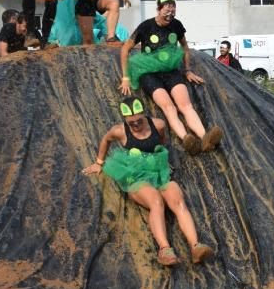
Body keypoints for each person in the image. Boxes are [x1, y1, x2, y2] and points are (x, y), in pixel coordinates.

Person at [83, 98, 214, 267]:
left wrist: (161, 159)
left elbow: (161, 141)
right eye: (131, 122)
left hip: (158, 173)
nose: (136, 124)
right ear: (125, 119)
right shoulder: (119, 131)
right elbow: (106, 140)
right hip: (136, 176)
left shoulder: (158, 124)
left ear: (144, 114)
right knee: (156, 201)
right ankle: (165, 249)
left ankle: (196, 247)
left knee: (177, 199)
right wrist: (99, 162)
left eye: (139, 120)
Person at [119, 0, 223, 156]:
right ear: (159, 9)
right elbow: (125, 49)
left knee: (186, 105)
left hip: (170, 71)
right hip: (149, 73)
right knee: (168, 107)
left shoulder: (176, 25)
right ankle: (187, 139)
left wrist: (188, 70)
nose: (170, 14)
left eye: (173, 10)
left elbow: (185, 48)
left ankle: (205, 138)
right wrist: (125, 77)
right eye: (167, 10)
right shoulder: (146, 26)